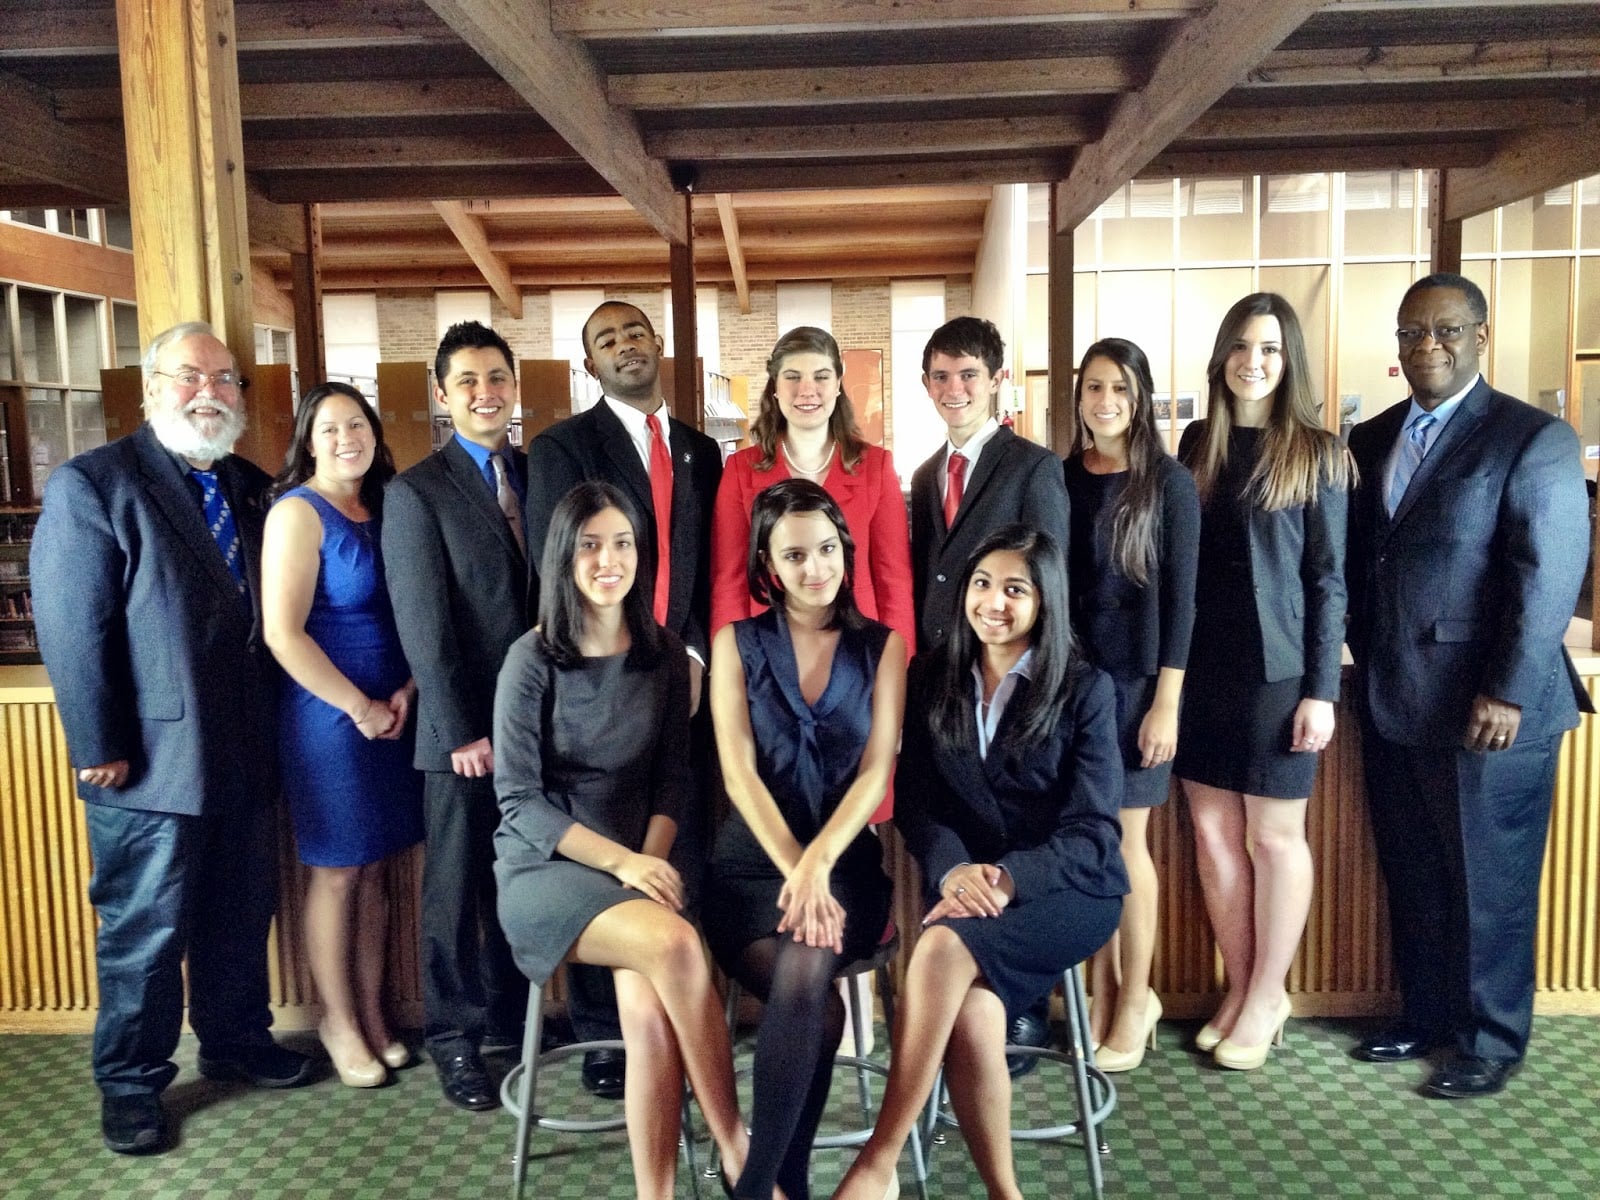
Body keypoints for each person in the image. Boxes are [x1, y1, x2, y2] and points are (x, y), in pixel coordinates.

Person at [31, 321, 313, 1155]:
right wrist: (96, 742)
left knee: (239, 912)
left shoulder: (253, 486)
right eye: (189, 376)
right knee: (145, 932)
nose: (209, 393)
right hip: (144, 764)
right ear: (152, 387)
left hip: (247, 752)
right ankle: (130, 1083)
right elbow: (73, 627)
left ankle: (236, 1039)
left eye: (226, 380)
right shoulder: (96, 485)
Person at [1345, 273, 1590, 1098]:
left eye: (1447, 331)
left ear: (1481, 336)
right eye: (1413, 333)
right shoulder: (1373, 438)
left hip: (1490, 710)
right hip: (1395, 698)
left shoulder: (1532, 437)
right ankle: (1427, 1015)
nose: (1429, 347)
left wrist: (1509, 690)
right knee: (1415, 873)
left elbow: (1546, 572)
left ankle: (1491, 1040)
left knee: (1492, 884)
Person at [833, 526, 1127, 1200]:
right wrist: (954, 870)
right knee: (971, 1016)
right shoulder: (930, 674)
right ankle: (1005, 1193)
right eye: (982, 585)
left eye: (1015, 589)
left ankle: (877, 1164)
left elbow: (1093, 832)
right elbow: (916, 803)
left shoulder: (1086, 689)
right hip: (968, 889)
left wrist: (1004, 877)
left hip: (1067, 890)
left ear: (1045, 600)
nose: (994, 602)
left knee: (937, 948)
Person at [493, 481, 750, 1198]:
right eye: (591, 545)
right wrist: (627, 863)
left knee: (650, 1016)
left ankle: (656, 1192)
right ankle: (737, 1149)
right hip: (547, 868)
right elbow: (517, 800)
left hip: (644, 861)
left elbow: (673, 783)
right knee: (673, 945)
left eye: (624, 544)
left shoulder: (667, 656)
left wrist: (651, 861)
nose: (609, 560)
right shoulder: (531, 660)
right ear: (563, 558)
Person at [524, 300, 722, 1099]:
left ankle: (677, 1008)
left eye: (633, 331)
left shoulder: (704, 452)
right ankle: (606, 1032)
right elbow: (557, 569)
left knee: (679, 834)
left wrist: (699, 652)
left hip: (689, 674)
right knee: (608, 842)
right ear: (589, 365)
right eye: (605, 339)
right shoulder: (561, 448)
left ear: (658, 343)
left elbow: (711, 566)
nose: (624, 346)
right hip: (600, 682)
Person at [704, 479, 906, 1200]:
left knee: (809, 964)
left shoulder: (882, 648)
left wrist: (818, 866)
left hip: (847, 862)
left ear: (845, 551)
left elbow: (876, 770)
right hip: (748, 868)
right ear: (767, 563)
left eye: (826, 549)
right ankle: (780, 1180)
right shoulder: (735, 643)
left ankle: (758, 1185)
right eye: (794, 555)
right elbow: (737, 776)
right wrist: (797, 868)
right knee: (811, 991)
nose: (815, 567)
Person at [1174, 293, 1353, 1070]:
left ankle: (1271, 992)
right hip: (1200, 672)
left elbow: (1329, 581)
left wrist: (1322, 689)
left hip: (1280, 676)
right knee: (1214, 840)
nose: (1254, 360)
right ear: (1221, 356)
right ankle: (1244, 986)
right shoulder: (1194, 443)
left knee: (1274, 840)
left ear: (1290, 363)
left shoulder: (1319, 451)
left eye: (1272, 349)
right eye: (1243, 345)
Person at [908, 314, 1070, 1063]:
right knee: (959, 821)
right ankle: (962, 987)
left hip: (1017, 677)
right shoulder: (924, 476)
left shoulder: (1032, 467)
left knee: (1017, 827)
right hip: (945, 684)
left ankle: (1023, 1001)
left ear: (996, 380)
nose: (953, 388)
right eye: (940, 376)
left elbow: (1051, 577)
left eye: (967, 374)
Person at [383, 320, 531, 1111]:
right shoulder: (416, 492)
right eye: (468, 381)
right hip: (461, 739)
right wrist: (461, 730)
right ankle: (454, 1037)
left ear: (515, 387)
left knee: (519, 877)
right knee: (454, 890)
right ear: (443, 396)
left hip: (535, 731)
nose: (485, 393)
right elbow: (424, 625)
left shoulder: (536, 473)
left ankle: (512, 1016)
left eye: (497, 377)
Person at [261, 382, 424, 1088]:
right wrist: (358, 707)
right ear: (307, 441)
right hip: (330, 716)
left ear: (375, 432)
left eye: (355, 423)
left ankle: (374, 1011)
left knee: (382, 869)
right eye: (327, 428)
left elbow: (417, 608)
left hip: (398, 709)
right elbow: (281, 633)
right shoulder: (298, 514)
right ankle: (337, 1019)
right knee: (338, 870)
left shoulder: (387, 505)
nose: (344, 437)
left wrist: (410, 691)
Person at [1062, 338, 1199, 1071]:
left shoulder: (1169, 484)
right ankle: (1096, 987)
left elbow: (1182, 603)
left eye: (1118, 387)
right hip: (1073, 689)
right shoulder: (1063, 476)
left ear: (1140, 395)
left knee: (1125, 844)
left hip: (1140, 687)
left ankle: (1134, 997)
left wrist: (1167, 703)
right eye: (1092, 388)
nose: (1104, 400)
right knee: (1085, 842)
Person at [711, 325, 915, 650]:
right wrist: (730, 665)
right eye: (792, 377)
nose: (807, 390)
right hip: (768, 649)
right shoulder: (740, 470)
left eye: (821, 376)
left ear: (837, 385)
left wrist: (901, 667)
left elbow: (894, 579)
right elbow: (729, 579)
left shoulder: (876, 466)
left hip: (858, 646)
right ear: (774, 388)